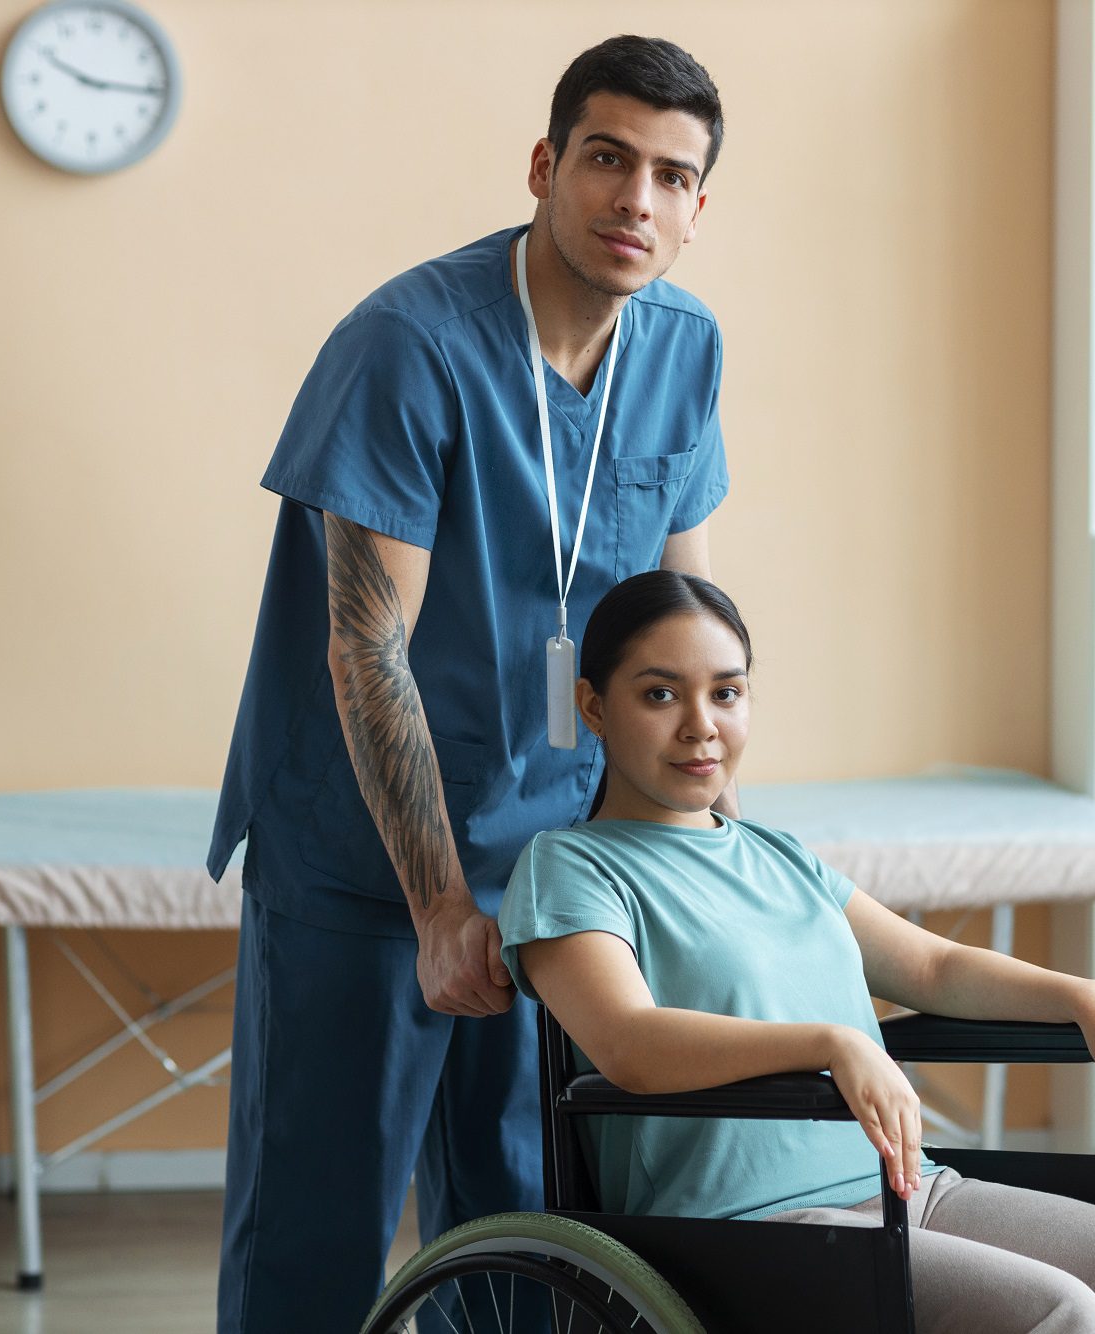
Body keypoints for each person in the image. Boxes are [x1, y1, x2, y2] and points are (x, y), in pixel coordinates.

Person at [204, 37, 732, 1334]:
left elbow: (682, 634)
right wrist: (440, 903)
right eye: (608, 160)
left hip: (553, 863)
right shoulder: (409, 344)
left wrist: (692, 850)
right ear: (548, 165)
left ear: (699, 206)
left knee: (526, 1236)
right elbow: (364, 644)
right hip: (365, 868)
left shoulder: (682, 349)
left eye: (673, 177)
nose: (636, 202)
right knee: (313, 1240)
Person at [500, 571, 1095, 1334]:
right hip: (745, 1225)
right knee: (1060, 1316)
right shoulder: (570, 869)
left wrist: (1085, 998)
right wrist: (832, 1044)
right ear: (594, 707)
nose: (702, 725)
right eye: (661, 695)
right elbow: (628, 1044)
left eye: (727, 693)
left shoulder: (780, 856)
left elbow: (933, 967)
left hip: (907, 1187)